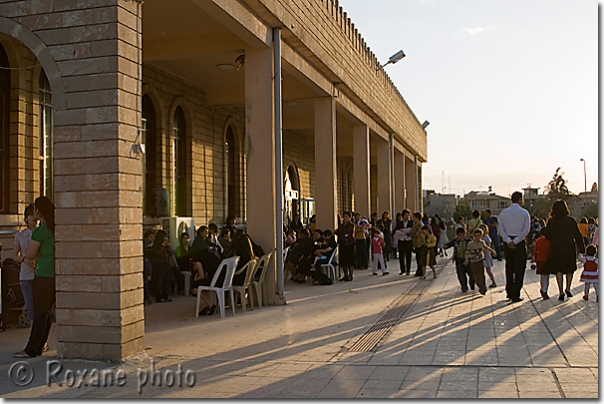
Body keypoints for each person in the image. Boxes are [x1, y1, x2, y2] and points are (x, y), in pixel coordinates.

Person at [14, 197, 55, 358]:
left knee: (40, 313)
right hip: (53, 274)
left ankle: (32, 349)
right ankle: (39, 346)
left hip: (43, 274)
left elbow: (30, 254)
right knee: (47, 313)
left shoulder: (41, 231)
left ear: (39, 211)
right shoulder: (54, 228)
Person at [542, 200, 585, 301]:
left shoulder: (551, 222)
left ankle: (560, 291)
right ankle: (568, 288)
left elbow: (547, 236)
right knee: (570, 268)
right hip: (569, 247)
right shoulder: (571, 221)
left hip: (556, 247)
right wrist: (582, 249)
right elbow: (577, 235)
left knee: (559, 269)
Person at [498, 191, 531, 303]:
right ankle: (516, 292)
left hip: (507, 242)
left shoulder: (503, 213)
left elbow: (501, 229)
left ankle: (509, 291)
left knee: (509, 267)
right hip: (519, 242)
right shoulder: (524, 213)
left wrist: (508, 240)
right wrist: (516, 241)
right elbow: (526, 230)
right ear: (520, 200)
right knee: (519, 268)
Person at [12, 204, 39, 324]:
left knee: (41, 306)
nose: (34, 217)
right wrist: (24, 259)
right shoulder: (20, 235)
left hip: (40, 272)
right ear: (26, 218)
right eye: (31, 215)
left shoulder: (41, 232)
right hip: (26, 275)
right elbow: (14, 256)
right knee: (30, 306)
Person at [465, 229, 496, 295]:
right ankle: (480, 286)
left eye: (479, 236)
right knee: (476, 276)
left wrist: (492, 251)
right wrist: (467, 260)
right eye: (476, 236)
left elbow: (486, 247)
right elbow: (467, 252)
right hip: (473, 261)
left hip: (480, 260)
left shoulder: (481, 242)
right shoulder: (470, 244)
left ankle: (483, 288)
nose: (477, 237)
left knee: (481, 274)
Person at [444, 228, 474, 292]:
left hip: (469, 260)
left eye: (463, 234)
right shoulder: (456, 241)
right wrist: (445, 246)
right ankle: (464, 287)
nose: (462, 236)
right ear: (457, 235)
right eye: (460, 235)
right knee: (461, 274)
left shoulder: (469, 241)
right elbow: (449, 244)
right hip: (459, 259)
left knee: (472, 274)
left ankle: (472, 283)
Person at [149, 230, 173, 303]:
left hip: (166, 263)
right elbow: (156, 253)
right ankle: (159, 297)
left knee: (166, 280)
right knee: (159, 280)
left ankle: (166, 295)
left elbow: (171, 254)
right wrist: (162, 247)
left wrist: (168, 247)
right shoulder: (156, 246)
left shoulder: (166, 246)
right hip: (159, 264)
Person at [336, 211, 357, 281]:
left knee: (350, 260)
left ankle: (350, 275)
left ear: (350, 218)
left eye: (346, 217)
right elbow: (338, 231)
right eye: (344, 217)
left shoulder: (351, 225)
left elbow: (348, 232)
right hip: (342, 244)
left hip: (350, 244)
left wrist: (344, 234)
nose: (345, 218)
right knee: (344, 260)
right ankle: (345, 275)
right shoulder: (341, 226)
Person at [533, 228, 552, 300]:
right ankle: (544, 290)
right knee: (546, 276)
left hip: (539, 260)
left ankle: (542, 288)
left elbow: (535, 251)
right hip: (547, 260)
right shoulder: (549, 241)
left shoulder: (538, 241)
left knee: (542, 275)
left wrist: (535, 258)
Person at [395, 209, 414, 275]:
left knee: (408, 255)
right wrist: (405, 231)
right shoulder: (399, 222)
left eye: (408, 215)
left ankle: (408, 270)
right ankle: (403, 269)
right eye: (406, 215)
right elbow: (397, 231)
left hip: (408, 240)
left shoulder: (411, 222)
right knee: (401, 255)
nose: (407, 216)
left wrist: (403, 231)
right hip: (401, 240)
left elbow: (410, 230)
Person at [479, 224, 497, 288]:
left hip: (486, 255)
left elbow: (488, 246)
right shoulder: (479, 238)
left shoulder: (486, 238)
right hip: (480, 255)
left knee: (488, 270)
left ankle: (493, 281)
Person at [410, 212, 424, 277]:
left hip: (419, 243)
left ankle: (420, 271)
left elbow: (416, 234)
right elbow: (411, 232)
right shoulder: (415, 224)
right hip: (415, 243)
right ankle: (419, 270)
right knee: (417, 257)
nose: (412, 218)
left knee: (420, 257)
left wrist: (412, 234)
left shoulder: (420, 225)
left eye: (413, 217)